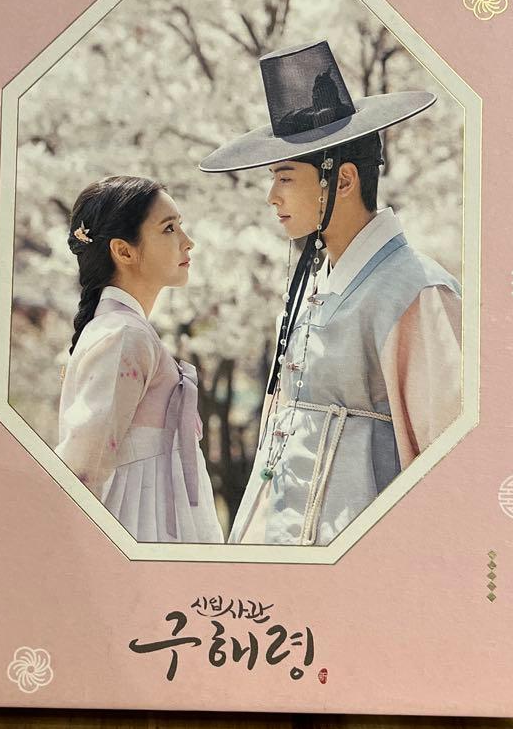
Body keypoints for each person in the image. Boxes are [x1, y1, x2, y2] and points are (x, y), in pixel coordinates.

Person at [199, 39, 462, 547]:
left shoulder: (416, 290)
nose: (271, 196)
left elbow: (450, 452)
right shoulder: (318, 282)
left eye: (285, 177)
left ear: (342, 181)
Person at [55, 175, 225, 544]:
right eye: (168, 228)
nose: (187, 241)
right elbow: (82, 466)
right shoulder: (122, 336)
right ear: (124, 251)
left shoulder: (127, 331)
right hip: (140, 523)